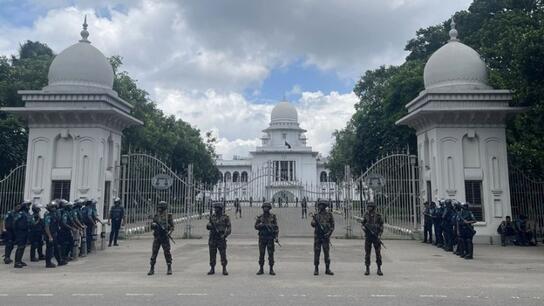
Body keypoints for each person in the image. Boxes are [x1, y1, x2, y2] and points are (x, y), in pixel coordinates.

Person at [148, 201, 174, 276]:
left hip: (165, 237)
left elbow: (172, 227)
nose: (159, 209)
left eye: (160, 207)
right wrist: (154, 225)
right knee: (154, 253)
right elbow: (152, 226)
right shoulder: (156, 216)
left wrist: (169, 232)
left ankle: (169, 267)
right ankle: (152, 268)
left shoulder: (168, 216)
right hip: (157, 236)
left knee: (167, 253)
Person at [206, 202, 231, 276]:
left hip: (221, 237)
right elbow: (208, 225)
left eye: (217, 208)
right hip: (213, 238)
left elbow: (229, 227)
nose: (215, 209)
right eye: (215, 208)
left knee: (223, 254)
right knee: (212, 253)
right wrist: (209, 226)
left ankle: (224, 268)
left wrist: (225, 235)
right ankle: (212, 268)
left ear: (221, 209)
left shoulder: (225, 217)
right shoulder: (212, 217)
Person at [311, 200, 334, 276]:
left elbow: (332, 226)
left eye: (321, 205)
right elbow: (312, 224)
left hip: (325, 237)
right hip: (318, 236)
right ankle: (316, 268)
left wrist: (329, 234)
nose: (320, 206)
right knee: (317, 252)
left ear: (324, 206)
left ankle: (327, 269)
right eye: (319, 205)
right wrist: (314, 222)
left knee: (326, 253)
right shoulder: (316, 215)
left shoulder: (329, 215)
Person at [255, 202, 279, 275]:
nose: (265, 209)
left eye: (267, 207)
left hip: (270, 238)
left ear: (269, 208)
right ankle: (261, 269)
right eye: (264, 207)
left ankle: (271, 269)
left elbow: (276, 228)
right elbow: (256, 226)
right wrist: (261, 225)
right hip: (262, 238)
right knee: (261, 254)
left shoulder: (273, 217)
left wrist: (276, 237)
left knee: (271, 254)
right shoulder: (260, 217)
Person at [361, 202, 384, 276]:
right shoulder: (366, 215)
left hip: (376, 237)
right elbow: (362, 224)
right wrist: (364, 228)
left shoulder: (378, 216)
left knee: (378, 253)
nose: (368, 208)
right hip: (368, 237)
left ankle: (379, 269)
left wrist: (379, 235)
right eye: (368, 207)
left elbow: (381, 226)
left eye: (370, 207)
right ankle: (367, 269)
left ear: (373, 207)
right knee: (367, 253)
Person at [44, 200, 64, 268]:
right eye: (52, 207)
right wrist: (49, 236)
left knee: (56, 248)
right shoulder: (48, 216)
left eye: (55, 207)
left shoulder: (54, 214)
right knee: (49, 249)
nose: (54, 208)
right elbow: (46, 227)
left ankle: (59, 261)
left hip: (54, 234)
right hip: (50, 235)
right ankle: (48, 263)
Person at [13, 201, 33, 268]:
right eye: (27, 206)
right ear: (24, 206)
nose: (29, 207)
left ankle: (19, 260)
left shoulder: (27, 213)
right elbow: (15, 222)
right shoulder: (21, 213)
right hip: (21, 232)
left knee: (23, 247)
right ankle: (17, 262)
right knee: (20, 247)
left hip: (26, 232)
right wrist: (17, 231)